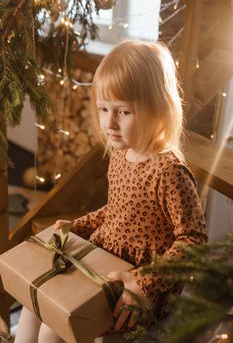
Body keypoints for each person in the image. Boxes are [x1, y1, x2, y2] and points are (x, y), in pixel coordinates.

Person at [15, 40, 208, 343]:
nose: (108, 123)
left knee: (52, 331)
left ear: (157, 109)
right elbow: (116, 210)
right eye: (104, 109)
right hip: (103, 259)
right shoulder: (121, 153)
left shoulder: (169, 171)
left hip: (137, 282)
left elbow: (194, 241)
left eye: (123, 112)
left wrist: (143, 283)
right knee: (33, 303)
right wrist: (78, 226)